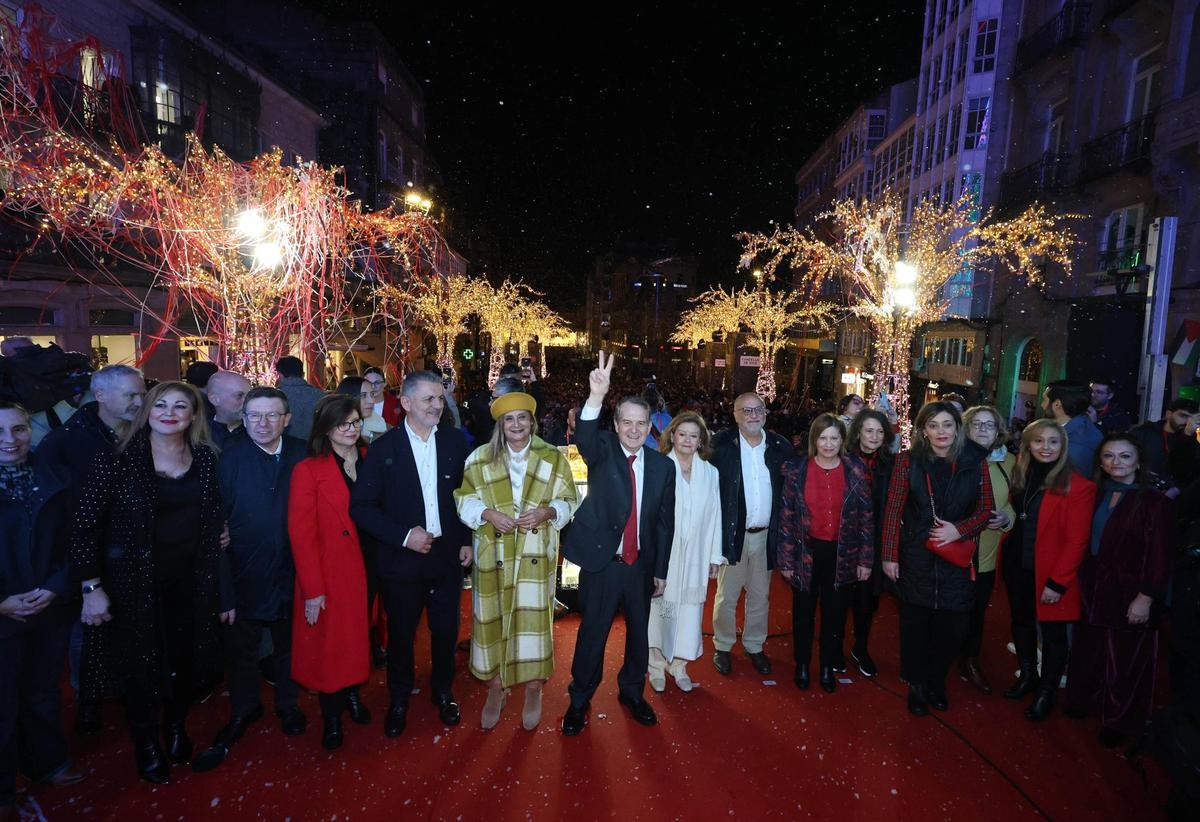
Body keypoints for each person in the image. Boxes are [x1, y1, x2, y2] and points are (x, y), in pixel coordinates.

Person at [71, 381, 226, 784]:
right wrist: (91, 588)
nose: (170, 412)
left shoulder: (206, 460)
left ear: (194, 416)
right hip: (132, 585)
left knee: (185, 661)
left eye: (180, 406)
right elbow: (83, 529)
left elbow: (212, 515)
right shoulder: (118, 459)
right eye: (161, 404)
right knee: (140, 669)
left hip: (193, 582)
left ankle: (175, 725)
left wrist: (220, 531)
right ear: (147, 411)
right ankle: (146, 742)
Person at [349, 371, 472, 737]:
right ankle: (399, 698)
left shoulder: (454, 442)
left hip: (446, 557)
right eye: (428, 399)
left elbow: (465, 496)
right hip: (401, 562)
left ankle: (443, 691)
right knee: (401, 636)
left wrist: (465, 538)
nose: (438, 406)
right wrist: (405, 536)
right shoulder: (383, 448)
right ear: (405, 403)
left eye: (440, 399)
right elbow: (362, 508)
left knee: (446, 631)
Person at [192, 387, 308, 772]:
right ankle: (244, 708)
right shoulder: (226, 460)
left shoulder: (302, 454)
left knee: (288, 645)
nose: (263, 423)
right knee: (241, 650)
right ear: (243, 418)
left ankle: (288, 705)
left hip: (293, 571)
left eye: (273, 415)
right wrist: (223, 590)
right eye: (255, 415)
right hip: (244, 572)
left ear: (286, 419)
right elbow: (214, 527)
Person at [560, 352, 674, 736]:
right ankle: (579, 699)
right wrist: (597, 395)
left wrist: (660, 570)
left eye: (641, 423)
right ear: (616, 423)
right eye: (627, 422)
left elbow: (663, 523)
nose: (634, 429)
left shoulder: (662, 465)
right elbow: (585, 437)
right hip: (602, 563)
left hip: (640, 565)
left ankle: (632, 692)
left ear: (650, 427)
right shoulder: (603, 450)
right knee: (593, 633)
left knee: (639, 635)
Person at [454, 391, 578, 730]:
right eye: (509, 419)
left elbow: (570, 498)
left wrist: (549, 511)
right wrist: (487, 513)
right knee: (491, 620)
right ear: (500, 424)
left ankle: (534, 688)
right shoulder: (479, 458)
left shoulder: (553, 457)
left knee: (533, 625)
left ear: (532, 421)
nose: (516, 424)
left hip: (536, 554)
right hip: (492, 552)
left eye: (522, 417)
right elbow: (463, 498)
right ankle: (497, 687)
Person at [34, 364, 145, 734]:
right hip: (85, 551)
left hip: (127, 548)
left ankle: (118, 689)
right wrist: (86, 578)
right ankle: (88, 701)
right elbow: (68, 513)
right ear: (101, 396)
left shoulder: (135, 430)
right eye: (131, 394)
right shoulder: (72, 440)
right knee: (89, 626)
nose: (139, 400)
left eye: (140, 393)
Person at [1, 402, 86, 818]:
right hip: (3, 611)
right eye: (0, 432)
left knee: (42, 690)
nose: (9, 440)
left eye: (17, 430)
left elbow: (77, 541)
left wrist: (55, 588)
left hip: (48, 606)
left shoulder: (55, 479)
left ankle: (46, 762)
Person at [882, 401, 994, 716]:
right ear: (923, 431)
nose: (941, 431)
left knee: (951, 628)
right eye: (933, 425)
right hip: (916, 553)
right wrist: (890, 556)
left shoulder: (975, 461)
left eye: (947, 424)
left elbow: (986, 510)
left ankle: (936, 682)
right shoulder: (908, 461)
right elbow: (893, 510)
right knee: (914, 625)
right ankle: (917, 684)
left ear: (957, 428)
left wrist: (958, 530)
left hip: (956, 560)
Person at [1065, 434, 1172, 747]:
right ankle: (1086, 702)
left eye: (1125, 456)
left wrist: (1146, 597)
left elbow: (1160, 556)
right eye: (1109, 456)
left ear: (1138, 462)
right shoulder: (1093, 493)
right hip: (1093, 586)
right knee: (1090, 649)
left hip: (1131, 590)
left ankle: (1120, 719)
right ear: (1100, 461)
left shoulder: (1155, 502)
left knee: (1126, 659)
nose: (1116, 463)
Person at [287, 395, 372, 750]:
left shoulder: (371, 459)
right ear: (325, 427)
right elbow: (300, 535)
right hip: (330, 573)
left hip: (368, 567)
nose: (350, 430)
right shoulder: (308, 470)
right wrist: (313, 590)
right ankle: (332, 716)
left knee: (359, 639)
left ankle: (352, 695)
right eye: (342, 424)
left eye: (354, 423)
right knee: (330, 649)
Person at [1003, 419, 1097, 721]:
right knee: (1021, 622)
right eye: (1039, 441)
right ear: (1028, 443)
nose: (1046, 447)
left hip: (1051, 573)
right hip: (1017, 563)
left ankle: (1047, 692)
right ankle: (1028, 676)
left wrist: (1058, 583)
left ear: (1063, 446)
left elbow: (1077, 541)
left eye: (1053, 442)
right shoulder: (1019, 474)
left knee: (1055, 636)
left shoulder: (1078, 486)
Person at [777, 414, 873, 693]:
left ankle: (829, 666)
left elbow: (867, 517)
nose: (828, 444)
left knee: (835, 614)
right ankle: (803, 664)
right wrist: (785, 559)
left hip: (843, 553)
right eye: (822, 438)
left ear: (842, 440)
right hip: (806, 551)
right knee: (803, 613)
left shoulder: (855, 469)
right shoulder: (797, 470)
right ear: (814, 440)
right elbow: (786, 517)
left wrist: (865, 559)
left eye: (834, 438)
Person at [709, 392, 792, 677]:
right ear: (735, 415)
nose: (753, 415)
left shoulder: (780, 446)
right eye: (746, 410)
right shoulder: (720, 446)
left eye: (758, 410)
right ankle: (723, 645)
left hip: (767, 535)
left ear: (766, 414)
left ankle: (755, 645)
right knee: (727, 595)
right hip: (734, 534)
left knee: (761, 595)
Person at [647, 412, 722, 693]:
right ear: (672, 435)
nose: (688, 440)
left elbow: (715, 514)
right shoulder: (658, 466)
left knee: (690, 614)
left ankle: (679, 666)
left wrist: (714, 556)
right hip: (665, 554)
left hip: (696, 556)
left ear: (701, 440)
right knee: (659, 612)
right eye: (682, 434)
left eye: (694, 435)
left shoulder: (710, 472)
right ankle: (655, 665)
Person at [957, 406, 1016, 695]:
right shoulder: (951, 459)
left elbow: (1016, 506)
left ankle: (970, 659)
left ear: (998, 431)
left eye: (989, 425)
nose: (982, 429)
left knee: (976, 612)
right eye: (976, 424)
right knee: (946, 612)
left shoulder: (1011, 464)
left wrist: (1007, 518)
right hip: (952, 552)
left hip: (985, 556)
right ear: (965, 428)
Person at [845, 408, 894, 678]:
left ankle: (860, 648)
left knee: (866, 602)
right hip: (844, 542)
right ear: (859, 432)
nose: (874, 436)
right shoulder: (844, 460)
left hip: (874, 543)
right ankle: (834, 647)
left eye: (879, 431)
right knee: (840, 599)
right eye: (869, 430)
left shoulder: (892, 464)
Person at [1131, 397, 1200, 494]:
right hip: (1141, 490)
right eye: (1183, 416)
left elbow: (1190, 473)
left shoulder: (1194, 440)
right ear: (1169, 414)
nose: (1188, 423)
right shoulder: (1144, 433)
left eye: (1193, 419)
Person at [1041, 380, 1103, 478]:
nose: (1042, 405)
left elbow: (1071, 486)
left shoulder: (1075, 446)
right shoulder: (1081, 426)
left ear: (1057, 404)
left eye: (1044, 400)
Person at [275, 356, 325, 441]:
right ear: (303, 374)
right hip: (315, 449)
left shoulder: (275, 397)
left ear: (280, 375)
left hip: (286, 449)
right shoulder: (321, 395)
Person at [205, 370, 250, 450]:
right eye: (239, 396)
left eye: (249, 395)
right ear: (214, 399)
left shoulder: (259, 429)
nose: (247, 401)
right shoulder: (199, 434)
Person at [336, 376, 389, 444]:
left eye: (372, 394)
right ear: (348, 397)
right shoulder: (332, 429)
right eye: (363, 395)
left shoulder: (383, 428)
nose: (372, 401)